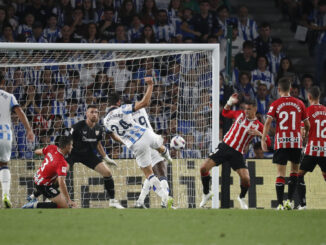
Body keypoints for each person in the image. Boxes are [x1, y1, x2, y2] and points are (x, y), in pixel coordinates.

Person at [104, 77, 174, 209]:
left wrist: (124, 141)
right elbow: (144, 103)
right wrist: (150, 85)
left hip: (135, 145)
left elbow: (112, 136)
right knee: (160, 148)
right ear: (119, 102)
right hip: (146, 134)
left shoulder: (105, 120)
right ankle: (168, 156)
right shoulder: (124, 109)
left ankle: (165, 198)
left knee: (149, 175)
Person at [199, 94, 271, 209]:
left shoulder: (259, 125)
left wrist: (260, 134)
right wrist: (229, 102)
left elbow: (268, 141)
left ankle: (241, 197)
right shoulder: (239, 114)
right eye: (245, 108)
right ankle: (206, 193)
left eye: (249, 109)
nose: (246, 111)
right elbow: (225, 113)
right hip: (225, 147)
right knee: (203, 168)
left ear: (255, 109)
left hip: (237, 153)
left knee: (246, 179)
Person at [261, 77, 310, 210]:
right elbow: (307, 124)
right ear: (290, 89)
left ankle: (280, 204)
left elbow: (267, 122)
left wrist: (263, 139)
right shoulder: (300, 103)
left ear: (278, 89)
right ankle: (289, 201)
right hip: (296, 142)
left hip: (281, 142)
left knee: (280, 174)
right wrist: (305, 134)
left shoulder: (275, 104)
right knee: (294, 171)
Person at [67, 105, 124, 209]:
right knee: (61, 173)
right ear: (86, 114)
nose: (94, 114)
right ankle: (40, 195)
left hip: (88, 155)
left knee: (107, 173)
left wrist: (106, 158)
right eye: (92, 112)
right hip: (73, 153)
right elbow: (68, 142)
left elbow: (98, 144)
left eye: (96, 112)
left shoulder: (99, 128)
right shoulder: (77, 127)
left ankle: (112, 201)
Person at [0, 88, 34, 208]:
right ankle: (5, 195)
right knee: (3, 165)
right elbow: (19, 110)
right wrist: (29, 129)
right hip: (5, 134)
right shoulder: (9, 96)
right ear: (2, 82)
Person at [22, 136, 77, 209]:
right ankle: (34, 205)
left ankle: (34, 195)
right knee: (64, 206)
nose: (72, 147)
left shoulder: (52, 147)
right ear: (67, 146)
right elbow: (62, 183)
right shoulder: (62, 162)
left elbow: (37, 152)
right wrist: (69, 200)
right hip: (44, 185)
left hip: (37, 178)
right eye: (71, 145)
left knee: (58, 176)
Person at [132, 107, 170, 208]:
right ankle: (165, 200)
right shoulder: (142, 110)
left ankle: (140, 202)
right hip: (150, 143)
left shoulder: (125, 117)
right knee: (162, 176)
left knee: (150, 176)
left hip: (138, 147)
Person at [297, 86, 326, 210]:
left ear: (309, 97)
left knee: (299, 176)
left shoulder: (307, 111)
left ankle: (303, 205)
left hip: (312, 150)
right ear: (319, 97)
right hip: (325, 150)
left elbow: (303, 133)